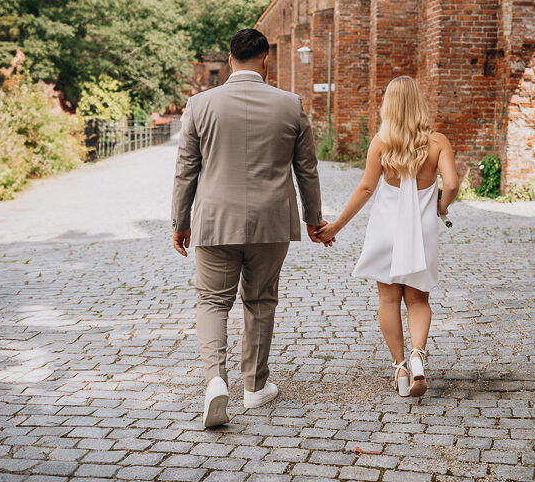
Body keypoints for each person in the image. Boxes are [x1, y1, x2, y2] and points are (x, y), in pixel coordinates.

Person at [171, 28, 330, 427]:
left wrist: (180, 221)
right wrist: (314, 219)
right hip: (271, 222)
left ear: (229, 61)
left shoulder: (199, 104)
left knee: (211, 302)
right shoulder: (290, 104)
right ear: (266, 61)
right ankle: (256, 386)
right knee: (260, 300)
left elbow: (186, 170)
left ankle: (215, 382)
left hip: (214, 220)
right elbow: (306, 170)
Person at [316, 75, 459, 397]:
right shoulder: (438, 142)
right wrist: (441, 207)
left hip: (385, 229)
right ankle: (418, 356)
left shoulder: (381, 141)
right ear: (420, 103)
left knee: (389, 299)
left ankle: (399, 369)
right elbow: (451, 184)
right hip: (421, 229)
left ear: (389, 106)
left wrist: (336, 226)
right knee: (418, 298)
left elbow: (367, 187)